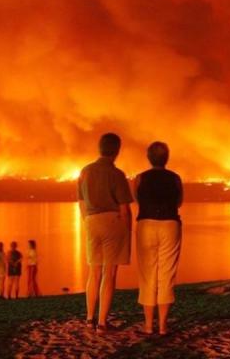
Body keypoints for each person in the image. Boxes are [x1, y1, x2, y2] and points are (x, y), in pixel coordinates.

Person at [78, 133, 133, 333]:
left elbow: (81, 202)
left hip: (91, 221)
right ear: (116, 151)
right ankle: (102, 323)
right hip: (111, 221)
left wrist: (87, 221)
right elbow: (124, 209)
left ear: (99, 148)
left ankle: (89, 318)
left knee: (94, 272)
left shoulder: (85, 171)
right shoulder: (116, 174)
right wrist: (127, 231)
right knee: (109, 273)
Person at [134, 142, 182, 335]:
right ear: (167, 158)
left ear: (149, 157)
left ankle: (148, 325)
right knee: (166, 274)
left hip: (146, 224)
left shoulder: (139, 179)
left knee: (147, 274)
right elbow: (179, 202)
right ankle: (162, 326)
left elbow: (138, 201)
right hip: (170, 224)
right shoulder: (175, 178)